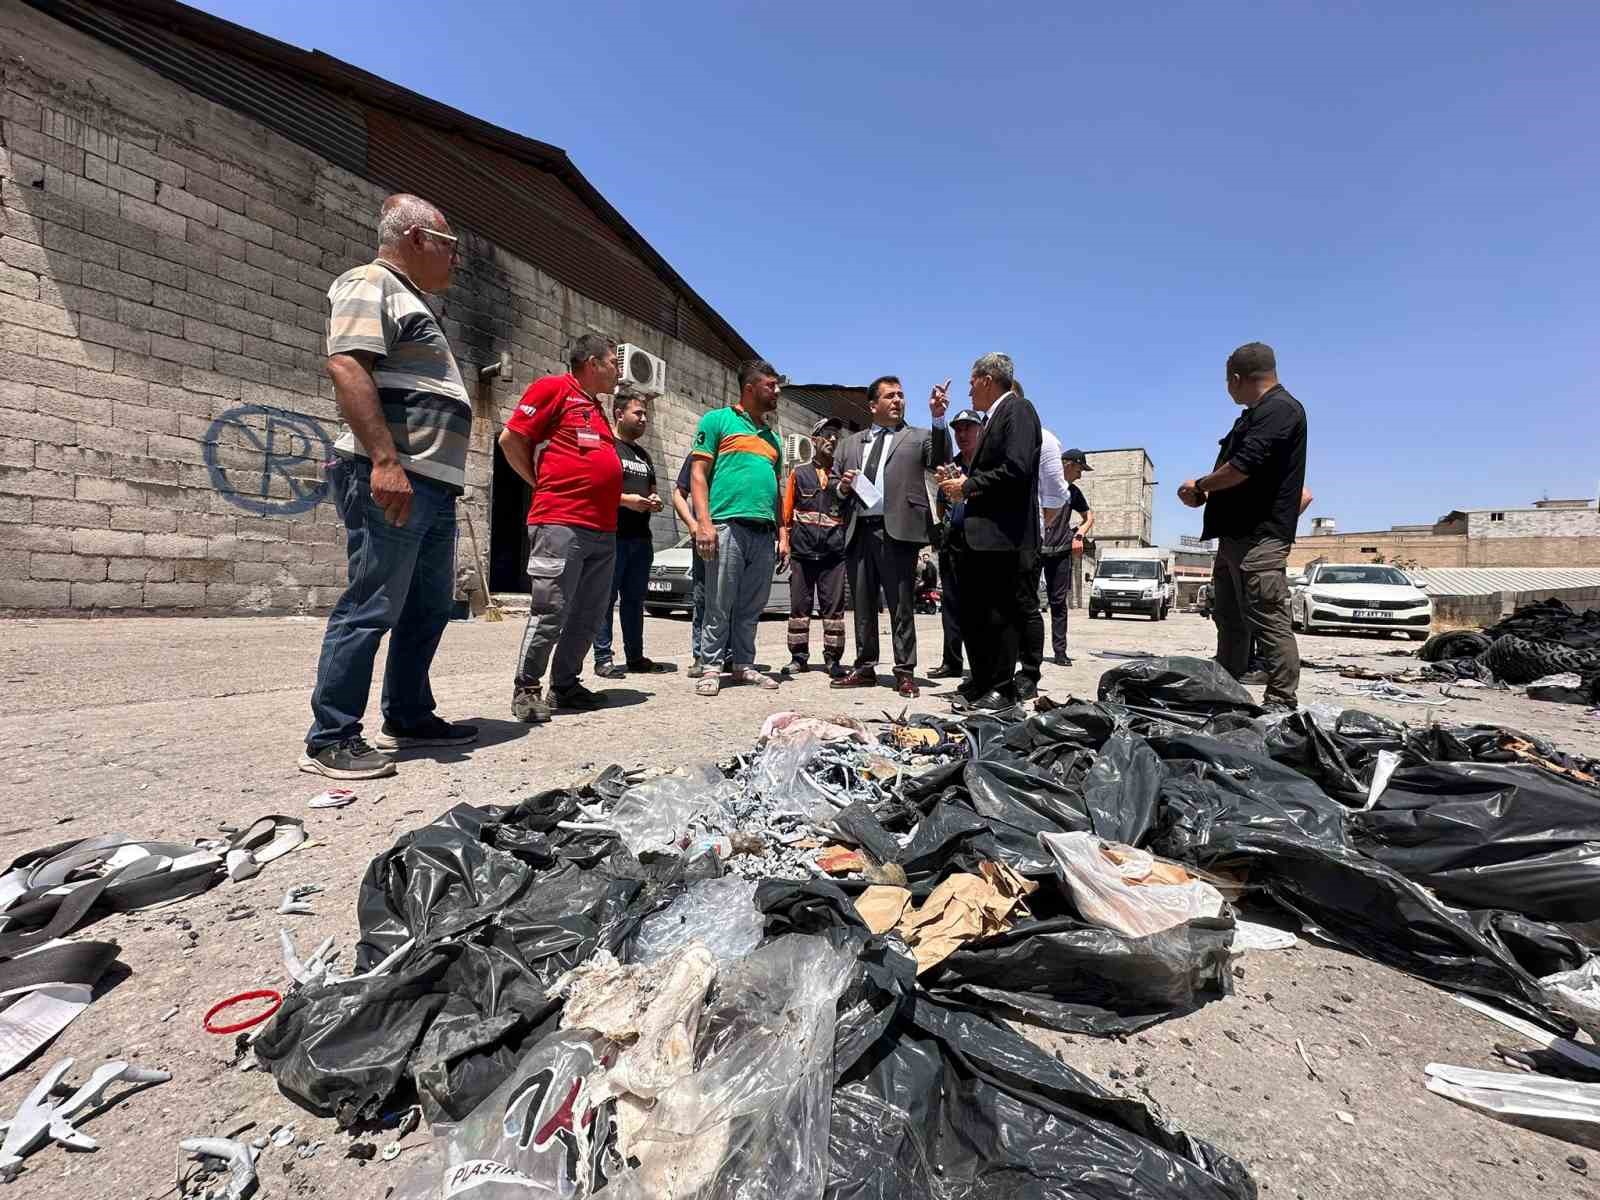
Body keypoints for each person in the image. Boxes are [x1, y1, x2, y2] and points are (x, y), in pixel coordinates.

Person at [302, 193, 477, 780]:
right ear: (418, 239)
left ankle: (407, 714)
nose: (456, 260)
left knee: (428, 607)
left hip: (433, 485)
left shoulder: (412, 300)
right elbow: (347, 366)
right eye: (451, 246)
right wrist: (384, 460)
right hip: (394, 476)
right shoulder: (369, 282)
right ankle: (331, 736)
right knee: (371, 603)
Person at [1178, 341, 1308, 711]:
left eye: (1226, 381)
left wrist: (1200, 486)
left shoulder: (1281, 410)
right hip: (1236, 537)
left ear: (1236, 379)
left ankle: (1282, 699)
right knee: (1230, 615)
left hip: (1260, 538)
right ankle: (1226, 683)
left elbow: (1243, 467)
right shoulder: (1256, 414)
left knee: (1268, 619)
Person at [500, 334, 623, 722]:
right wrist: (538, 482)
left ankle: (565, 685)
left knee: (589, 612)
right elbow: (511, 438)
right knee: (550, 609)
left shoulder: (596, 409)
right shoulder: (555, 388)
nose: (618, 370)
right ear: (591, 362)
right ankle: (527, 688)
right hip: (561, 522)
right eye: (613, 362)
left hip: (602, 528)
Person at [831, 376, 951, 699]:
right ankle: (865, 667)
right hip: (859, 530)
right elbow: (833, 487)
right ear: (873, 405)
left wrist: (938, 417)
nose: (898, 400)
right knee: (863, 603)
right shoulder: (849, 445)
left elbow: (940, 457)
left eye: (901, 395)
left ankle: (904, 671)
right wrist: (841, 486)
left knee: (901, 605)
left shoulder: (916, 437)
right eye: (890, 396)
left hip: (896, 531)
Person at [936, 353, 1041, 709]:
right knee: (977, 615)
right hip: (980, 539)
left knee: (1000, 615)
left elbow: (1018, 468)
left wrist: (969, 486)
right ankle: (981, 681)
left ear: (986, 379)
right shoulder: (994, 417)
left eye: (970, 382)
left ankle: (1002, 686)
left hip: (1003, 536)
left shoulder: (1018, 409)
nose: (969, 390)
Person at [690, 360, 786, 696]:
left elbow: (777, 489)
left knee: (751, 605)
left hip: (763, 532)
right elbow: (698, 474)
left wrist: (783, 534)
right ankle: (711, 665)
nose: (777, 391)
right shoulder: (717, 421)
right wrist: (704, 523)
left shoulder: (773, 439)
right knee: (719, 602)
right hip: (727, 524)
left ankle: (743, 665)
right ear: (750, 387)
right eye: (771, 385)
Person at [593, 387, 666, 678]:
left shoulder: (643, 455)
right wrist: (626, 501)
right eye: (638, 413)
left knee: (635, 601)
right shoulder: (607, 447)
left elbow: (651, 489)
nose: (644, 419)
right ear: (619, 413)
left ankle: (635, 656)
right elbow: (594, 490)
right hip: (612, 536)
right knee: (605, 599)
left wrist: (655, 501)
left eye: (646, 414)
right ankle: (603, 658)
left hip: (640, 539)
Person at [779, 418, 849, 676]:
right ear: (814, 440)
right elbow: (787, 513)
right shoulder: (799, 473)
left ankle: (833, 660)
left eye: (835, 437)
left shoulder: (842, 477)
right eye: (827, 435)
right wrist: (784, 542)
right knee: (799, 607)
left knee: (834, 610)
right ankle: (798, 658)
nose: (832, 440)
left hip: (834, 554)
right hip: (802, 552)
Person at [1015, 408, 1070, 699]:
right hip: (994, 538)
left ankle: (1031, 672)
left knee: (1031, 605)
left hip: (1036, 541)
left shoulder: (1043, 439)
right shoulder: (991, 434)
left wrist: (1037, 525)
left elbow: (1059, 495)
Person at [928, 409, 984, 680]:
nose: (962, 434)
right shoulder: (952, 465)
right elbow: (941, 505)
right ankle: (951, 661)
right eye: (958, 430)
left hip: (980, 544)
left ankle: (980, 664)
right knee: (950, 605)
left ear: (980, 430)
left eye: (968, 428)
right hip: (953, 541)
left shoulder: (986, 465)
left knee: (977, 606)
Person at [1040, 449, 1095, 666]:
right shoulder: (1042, 485)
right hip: (1035, 549)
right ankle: (1022, 650)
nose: (1081, 475)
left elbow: (1089, 517)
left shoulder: (1073, 492)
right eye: (1080, 469)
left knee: (1058, 603)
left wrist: (1079, 534)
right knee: (1024, 600)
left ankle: (1060, 652)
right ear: (1068, 464)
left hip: (1061, 551)